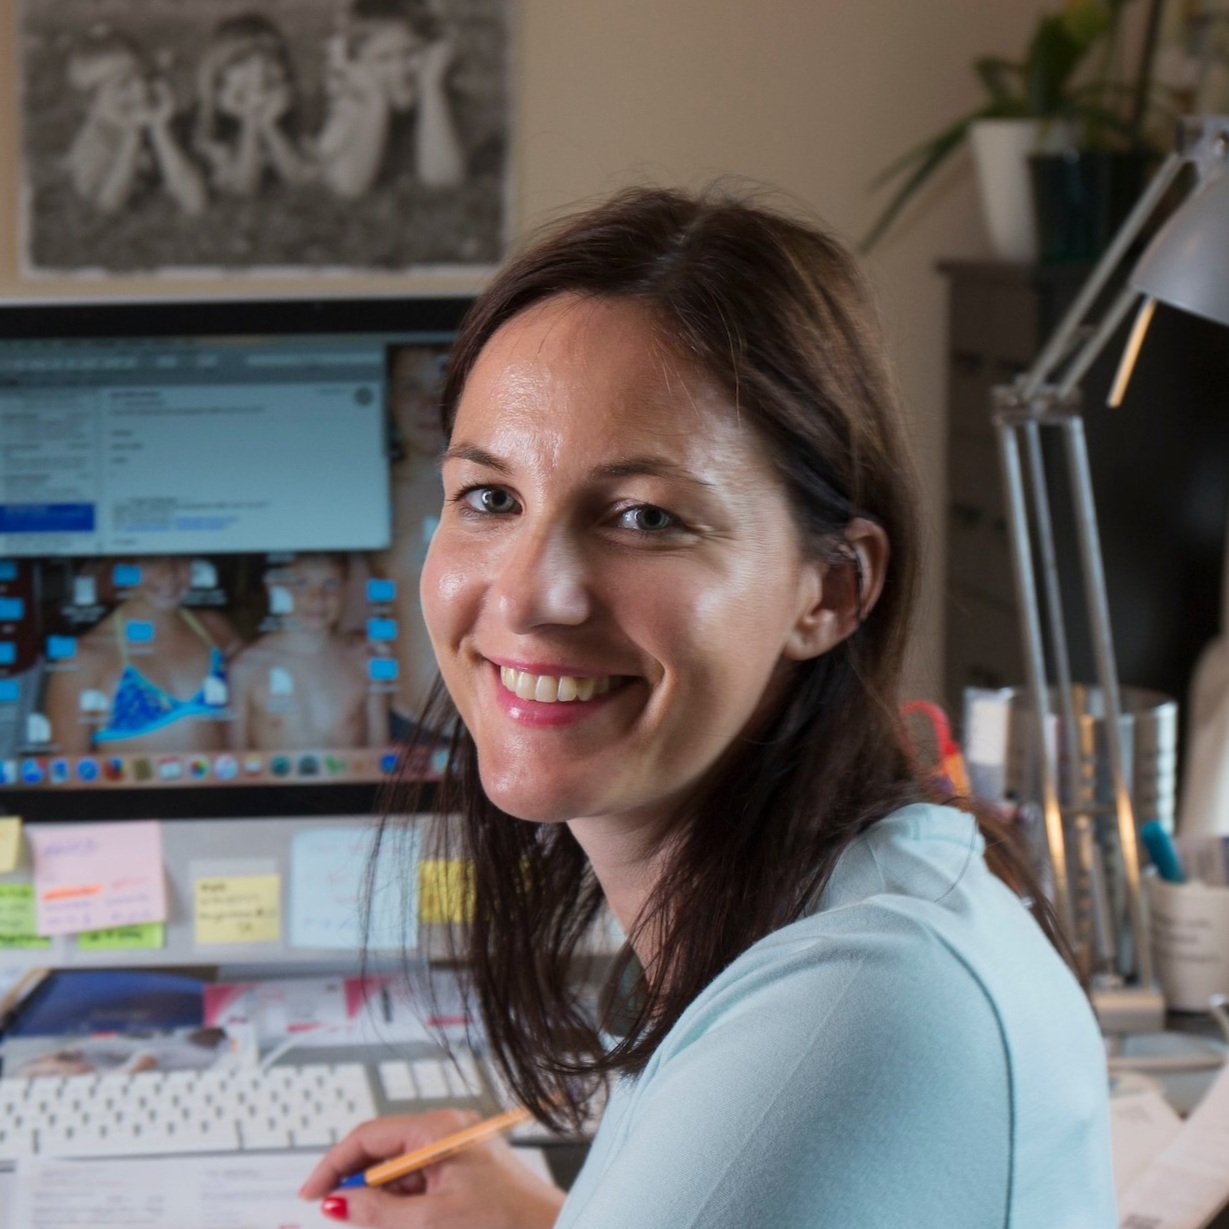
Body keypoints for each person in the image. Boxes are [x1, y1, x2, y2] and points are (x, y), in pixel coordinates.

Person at [298, 188, 1115, 1227]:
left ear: (828, 590)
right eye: (489, 498)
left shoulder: (853, 1002)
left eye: (643, 515)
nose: (524, 595)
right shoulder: (806, 908)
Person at [44, 556, 241, 755]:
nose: (170, 576)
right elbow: (65, 774)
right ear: (120, 566)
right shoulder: (85, 658)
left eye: (181, 559)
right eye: (151, 561)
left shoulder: (215, 630)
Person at [228, 554, 388, 751]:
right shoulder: (245, 667)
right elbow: (233, 760)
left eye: (331, 584)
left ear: (346, 588)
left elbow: (381, 754)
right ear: (274, 586)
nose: (317, 597)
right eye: (301, 584)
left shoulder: (364, 661)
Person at [370, 345, 450, 743]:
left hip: (520, 727)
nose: (427, 404)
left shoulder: (519, 491)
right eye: (410, 388)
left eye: (443, 387)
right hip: (410, 725)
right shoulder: (367, 494)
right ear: (388, 400)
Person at [316, 0, 464, 199]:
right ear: (354, 65)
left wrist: (431, 87)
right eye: (383, 59)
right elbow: (348, 185)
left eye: (412, 53)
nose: (400, 71)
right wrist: (376, 102)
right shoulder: (350, 105)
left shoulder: (439, 98)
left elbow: (443, 180)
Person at [65, 26, 206, 216]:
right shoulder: (94, 142)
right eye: (124, 85)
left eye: (147, 78)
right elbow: (108, 206)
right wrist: (132, 136)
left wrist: (160, 130)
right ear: (91, 104)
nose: (142, 92)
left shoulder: (171, 126)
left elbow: (196, 203)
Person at [193, 13, 315, 196]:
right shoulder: (208, 120)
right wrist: (249, 120)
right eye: (242, 63)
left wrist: (269, 125)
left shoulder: (291, 110)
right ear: (219, 72)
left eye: (270, 60)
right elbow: (243, 187)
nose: (259, 73)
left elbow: (300, 179)